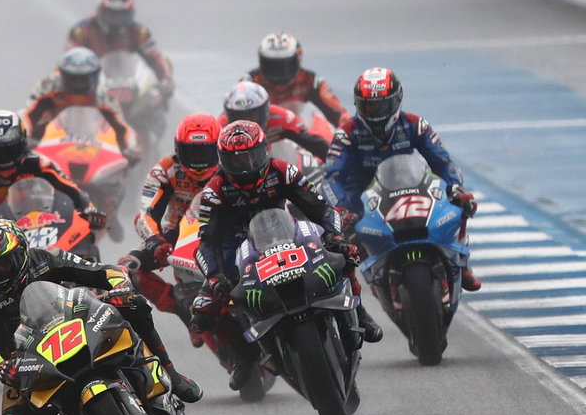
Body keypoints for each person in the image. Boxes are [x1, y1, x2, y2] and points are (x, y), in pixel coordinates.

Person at [0, 221, 200, 415]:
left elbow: (103, 272)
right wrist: (1, 365)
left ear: (21, 254)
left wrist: (121, 287)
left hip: (77, 316)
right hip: (31, 349)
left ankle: (171, 373)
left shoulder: (47, 258)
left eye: (4, 263)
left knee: (135, 304)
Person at [192, 121, 378, 391]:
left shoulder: (283, 170)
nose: (244, 166)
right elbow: (205, 243)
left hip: (283, 231)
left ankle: (360, 312)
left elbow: (322, 209)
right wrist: (214, 277)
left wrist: (334, 236)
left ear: (264, 150)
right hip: (237, 248)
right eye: (236, 160)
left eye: (250, 156)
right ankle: (246, 356)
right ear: (222, 160)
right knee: (211, 304)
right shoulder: (214, 190)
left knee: (342, 253)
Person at [325, 68, 481, 292]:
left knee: (459, 205)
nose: (375, 112)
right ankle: (368, 279)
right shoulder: (346, 133)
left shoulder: (415, 125)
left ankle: (462, 262)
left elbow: (443, 162)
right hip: (361, 190)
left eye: (382, 105)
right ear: (358, 104)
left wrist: (456, 188)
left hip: (407, 180)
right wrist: (340, 207)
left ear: (397, 100)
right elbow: (332, 177)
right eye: (369, 106)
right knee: (343, 230)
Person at [0, 110, 104, 288]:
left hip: (32, 218)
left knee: (84, 235)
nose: (3, 157)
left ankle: (93, 286)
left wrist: (89, 209)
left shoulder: (38, 163)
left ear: (22, 142)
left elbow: (72, 190)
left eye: (9, 148)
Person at [122, 114, 223, 323]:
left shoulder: (231, 165)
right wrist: (155, 240)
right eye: (191, 152)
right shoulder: (164, 170)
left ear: (218, 148)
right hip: (177, 234)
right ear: (178, 150)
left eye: (205, 151)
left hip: (224, 230)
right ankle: (180, 306)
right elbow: (145, 214)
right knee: (128, 268)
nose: (199, 161)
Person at [24, 46, 141, 163]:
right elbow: (27, 115)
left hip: (93, 146)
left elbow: (122, 126)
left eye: (83, 79)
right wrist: (24, 138)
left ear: (95, 76)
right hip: (48, 143)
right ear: (63, 75)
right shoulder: (48, 86)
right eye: (73, 78)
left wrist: (131, 148)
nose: (78, 84)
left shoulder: (103, 95)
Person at [65, 0, 175, 102]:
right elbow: (69, 60)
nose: (115, 20)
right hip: (93, 85)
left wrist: (166, 79)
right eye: (111, 15)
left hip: (131, 84)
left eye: (121, 16)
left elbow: (155, 56)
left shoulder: (138, 31)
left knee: (160, 89)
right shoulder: (82, 30)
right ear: (100, 12)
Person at [246, 32, 349, 126]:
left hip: (300, 131)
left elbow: (339, 114)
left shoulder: (311, 81)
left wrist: (347, 131)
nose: (278, 72)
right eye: (272, 66)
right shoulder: (250, 83)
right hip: (261, 134)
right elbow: (237, 115)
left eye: (285, 66)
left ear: (298, 60)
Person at [219, 81, 331, 159]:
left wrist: (332, 161)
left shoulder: (281, 117)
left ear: (266, 111)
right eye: (239, 117)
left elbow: (313, 142)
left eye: (252, 116)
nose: (247, 123)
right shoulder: (221, 127)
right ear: (228, 116)